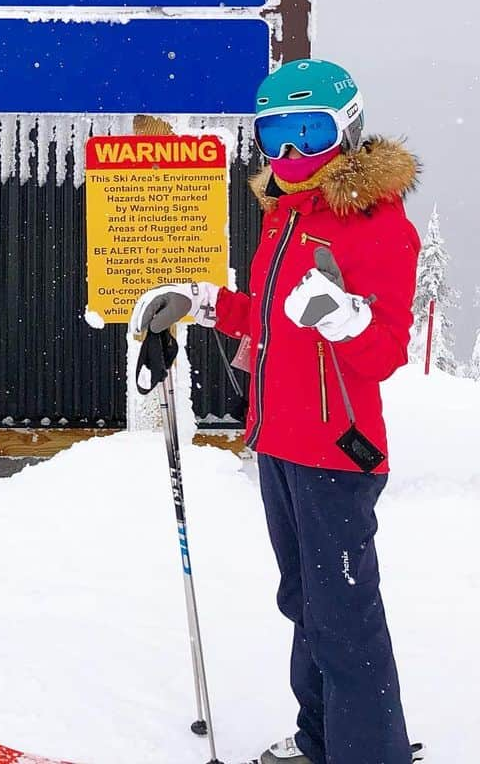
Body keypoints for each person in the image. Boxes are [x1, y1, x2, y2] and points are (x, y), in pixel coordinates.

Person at [130, 59, 421, 764]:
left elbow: (383, 351)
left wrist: (347, 319)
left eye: (308, 134)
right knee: (306, 603)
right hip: (282, 443)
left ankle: (369, 753)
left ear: (346, 132)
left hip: (337, 449)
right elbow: (265, 319)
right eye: (276, 135)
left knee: (344, 616)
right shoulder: (286, 216)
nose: (290, 156)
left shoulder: (375, 224)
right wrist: (203, 303)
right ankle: (323, 737)